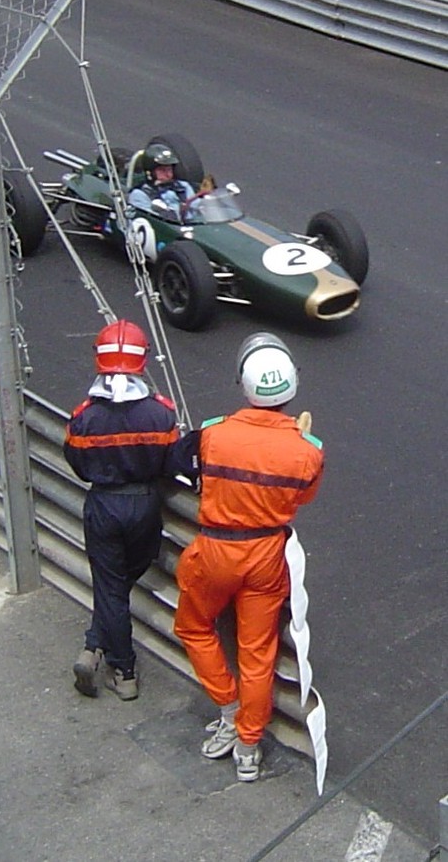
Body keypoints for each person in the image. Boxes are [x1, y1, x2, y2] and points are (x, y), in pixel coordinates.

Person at [172, 332, 324, 782]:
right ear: (292, 385)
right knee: (257, 653)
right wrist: (301, 438)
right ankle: (248, 746)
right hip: (266, 555)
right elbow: (304, 498)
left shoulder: (213, 432)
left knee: (193, 626)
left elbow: (182, 462)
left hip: (216, 549)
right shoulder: (308, 450)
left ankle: (227, 705)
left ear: (243, 383)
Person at [63, 319, 180, 701]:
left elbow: (78, 465)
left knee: (111, 586)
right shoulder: (161, 415)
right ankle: (107, 651)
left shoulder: (84, 418)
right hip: (145, 505)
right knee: (128, 574)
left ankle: (116, 664)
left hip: (103, 505)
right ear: (142, 361)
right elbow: (170, 462)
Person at [128, 142, 197, 222]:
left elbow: (198, 212)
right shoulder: (139, 195)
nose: (168, 175)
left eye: (169, 169)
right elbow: (148, 222)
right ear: (150, 172)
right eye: (162, 170)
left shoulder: (184, 187)